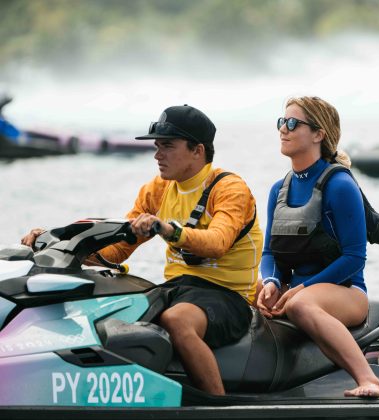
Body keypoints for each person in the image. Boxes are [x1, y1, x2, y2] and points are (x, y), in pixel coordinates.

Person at [22, 104, 263, 395]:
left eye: (167, 146)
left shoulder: (230, 189)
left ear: (197, 150)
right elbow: (117, 252)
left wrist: (170, 230)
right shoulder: (157, 190)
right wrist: (56, 244)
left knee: (177, 320)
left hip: (228, 296)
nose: (157, 155)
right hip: (178, 287)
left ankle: (219, 405)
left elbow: (218, 242)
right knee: (108, 311)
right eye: (157, 146)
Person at [257, 96, 379, 398]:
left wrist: (304, 288)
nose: (283, 129)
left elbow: (355, 258)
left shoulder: (340, 185)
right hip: (297, 289)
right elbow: (269, 253)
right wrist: (271, 281)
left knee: (299, 304)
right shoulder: (278, 190)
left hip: (346, 293)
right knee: (245, 291)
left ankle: (369, 380)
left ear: (318, 134)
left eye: (293, 123)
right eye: (281, 122)